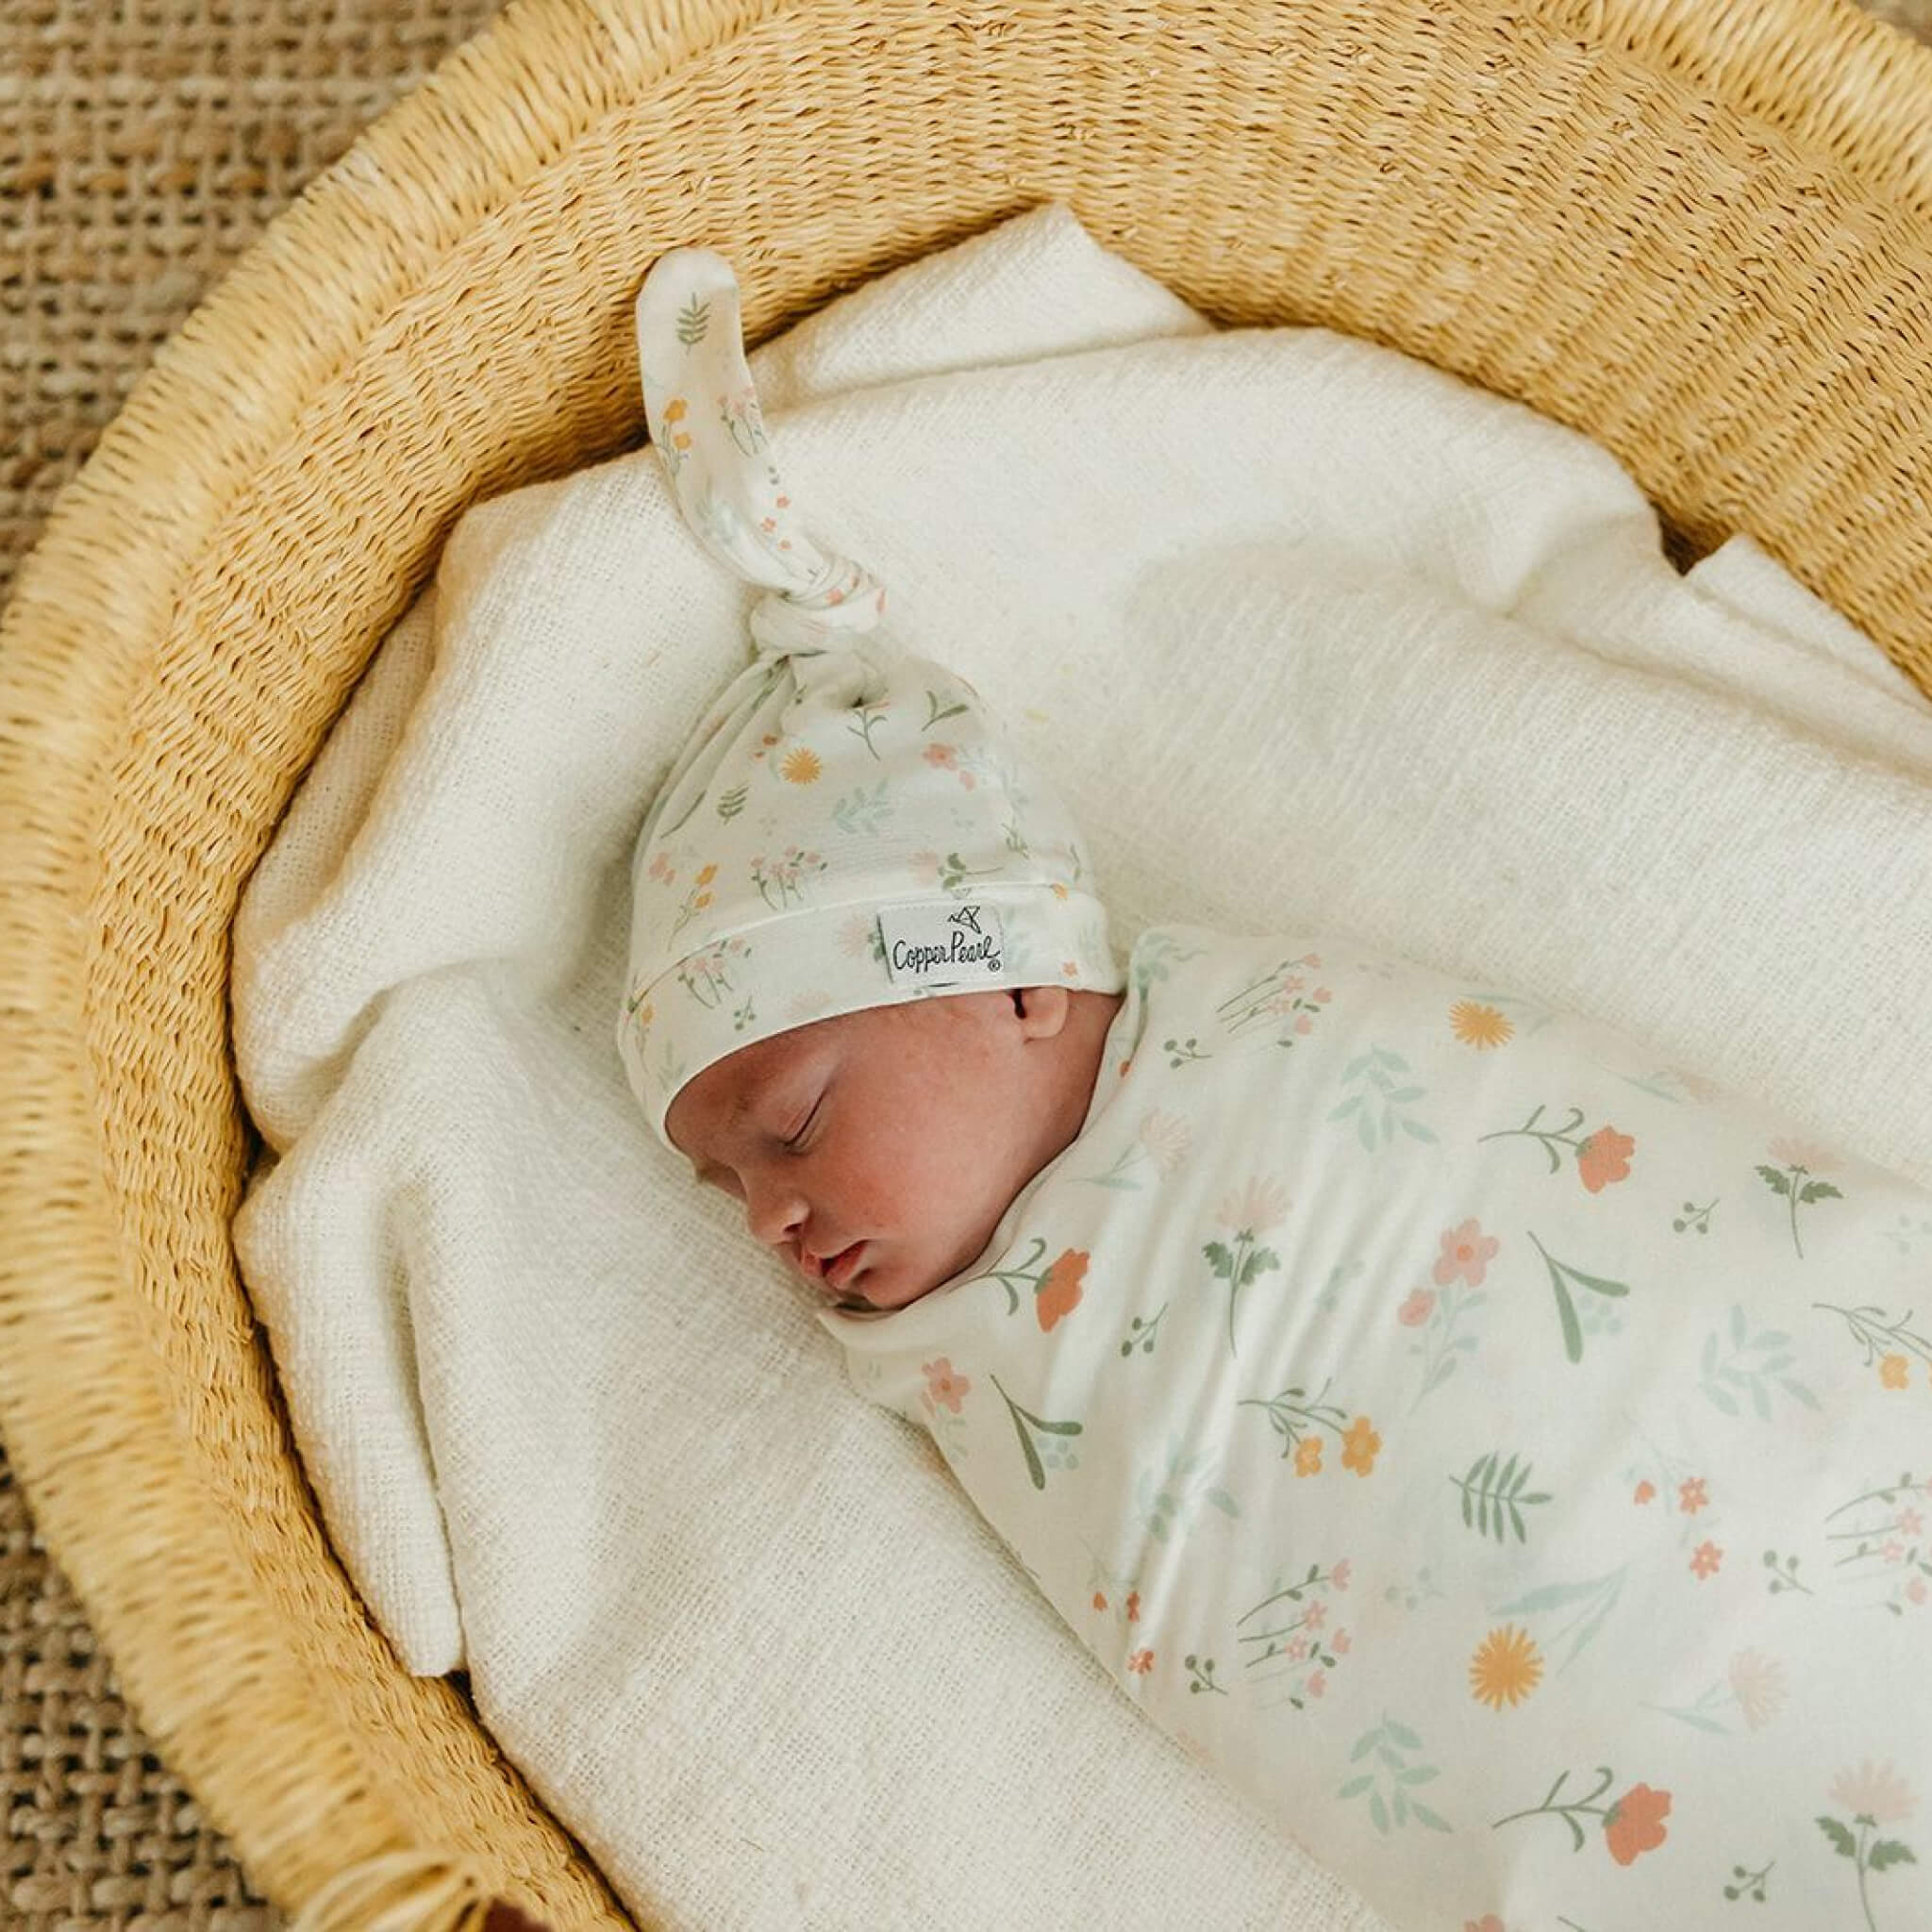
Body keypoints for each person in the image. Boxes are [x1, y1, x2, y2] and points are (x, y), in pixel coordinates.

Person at [620, 247, 1932, 1931]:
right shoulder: (963, 1365)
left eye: (793, 1123)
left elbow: (1563, 1157)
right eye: (729, 1186)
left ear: (1018, 976)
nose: (775, 1216)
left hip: (1754, 1442)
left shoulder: (1277, 1042)